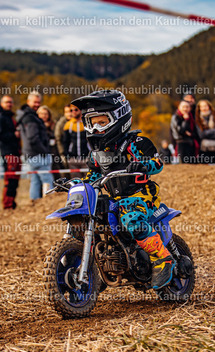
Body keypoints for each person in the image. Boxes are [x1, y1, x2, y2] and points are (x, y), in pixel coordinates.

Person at [69, 90, 173, 290]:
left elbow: (158, 163)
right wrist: (79, 183)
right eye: (92, 123)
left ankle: (162, 258)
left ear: (119, 118)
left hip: (140, 195)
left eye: (102, 122)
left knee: (131, 220)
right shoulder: (96, 154)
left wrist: (143, 165)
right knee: (90, 217)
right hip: (115, 198)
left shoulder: (136, 143)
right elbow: (93, 175)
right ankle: (92, 266)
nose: (96, 128)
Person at [17, 91, 53, 200]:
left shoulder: (28, 116)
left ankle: (34, 202)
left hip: (30, 154)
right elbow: (33, 138)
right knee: (47, 180)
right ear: (28, 101)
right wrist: (44, 151)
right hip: (37, 155)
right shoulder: (30, 118)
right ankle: (50, 201)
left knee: (35, 180)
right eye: (35, 102)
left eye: (39, 102)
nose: (37, 104)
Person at [0, 95, 21, 209]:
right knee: (10, 179)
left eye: (10, 102)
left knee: (15, 179)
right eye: (6, 102)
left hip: (16, 152)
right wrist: (13, 135)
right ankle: (7, 204)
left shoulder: (11, 117)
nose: (9, 104)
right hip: (8, 153)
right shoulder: (1, 118)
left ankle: (12, 202)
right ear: (1, 104)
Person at [61, 103, 90, 177]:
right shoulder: (68, 124)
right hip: (73, 159)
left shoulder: (86, 123)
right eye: (71, 110)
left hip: (86, 158)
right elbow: (65, 141)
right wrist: (67, 155)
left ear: (80, 110)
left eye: (76, 110)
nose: (73, 112)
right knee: (75, 181)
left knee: (89, 180)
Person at [195, 99, 215, 164]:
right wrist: (214, 131)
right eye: (202, 106)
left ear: (209, 106)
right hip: (204, 149)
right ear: (199, 108)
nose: (204, 108)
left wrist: (207, 133)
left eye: (205, 106)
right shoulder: (198, 120)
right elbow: (201, 135)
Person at [37, 105, 62, 180]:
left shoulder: (54, 125)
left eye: (45, 114)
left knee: (56, 174)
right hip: (42, 153)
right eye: (42, 114)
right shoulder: (36, 125)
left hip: (54, 153)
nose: (44, 116)